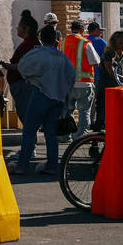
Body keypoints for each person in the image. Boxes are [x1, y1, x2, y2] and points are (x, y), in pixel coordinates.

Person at [9, 25, 75, 176]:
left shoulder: (38, 54)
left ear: (41, 39)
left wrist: (33, 78)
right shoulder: (62, 57)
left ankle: (22, 166)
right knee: (51, 135)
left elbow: (23, 68)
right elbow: (71, 76)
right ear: (56, 41)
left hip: (40, 95)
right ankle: (52, 166)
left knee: (29, 131)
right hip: (57, 100)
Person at [59, 20, 99, 142]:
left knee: (67, 110)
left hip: (67, 84)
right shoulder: (85, 43)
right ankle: (80, 138)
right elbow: (96, 61)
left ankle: (65, 136)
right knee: (84, 111)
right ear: (82, 30)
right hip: (84, 83)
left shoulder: (62, 42)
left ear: (72, 29)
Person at [5, 10, 40, 121]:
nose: (17, 28)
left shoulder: (30, 44)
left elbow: (27, 66)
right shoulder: (30, 43)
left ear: (26, 29)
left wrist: (10, 67)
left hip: (23, 86)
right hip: (22, 85)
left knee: (27, 117)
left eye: (19, 26)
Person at [92, 31, 123, 131]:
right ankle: (94, 143)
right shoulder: (108, 54)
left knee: (115, 117)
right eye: (120, 43)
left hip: (116, 90)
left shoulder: (121, 55)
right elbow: (111, 71)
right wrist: (122, 78)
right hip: (105, 89)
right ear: (114, 43)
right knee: (101, 117)